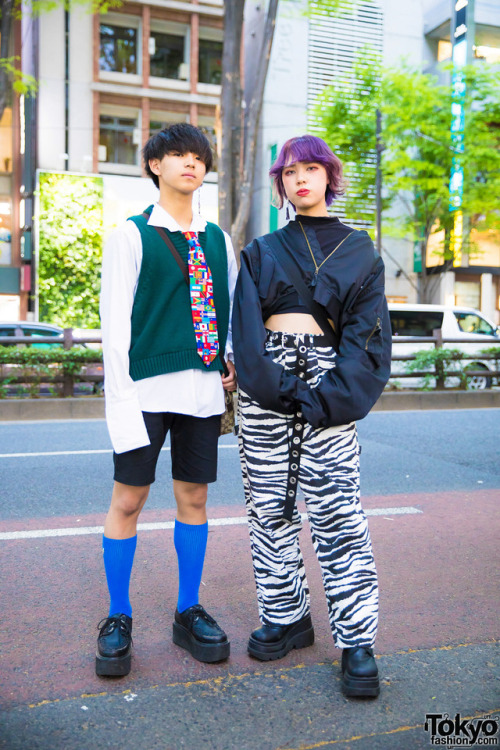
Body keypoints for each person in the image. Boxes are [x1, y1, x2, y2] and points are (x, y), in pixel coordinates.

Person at [232, 134, 391, 698]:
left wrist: (325, 398)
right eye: (289, 171)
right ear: (281, 183)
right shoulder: (260, 250)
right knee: (268, 509)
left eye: (310, 169)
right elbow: (246, 336)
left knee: (338, 515)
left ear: (329, 176)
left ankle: (356, 640)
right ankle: (287, 615)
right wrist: (277, 386)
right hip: (266, 389)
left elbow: (367, 341)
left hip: (331, 385)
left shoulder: (360, 251)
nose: (299, 179)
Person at [97, 123, 237, 677]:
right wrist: (121, 407)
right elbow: (114, 332)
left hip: (201, 391)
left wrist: (226, 362)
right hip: (145, 391)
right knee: (127, 501)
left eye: (198, 156)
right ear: (155, 165)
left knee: (194, 501)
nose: (189, 163)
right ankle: (117, 615)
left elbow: (225, 311)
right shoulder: (131, 235)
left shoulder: (219, 239)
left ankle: (187, 609)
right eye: (177, 155)